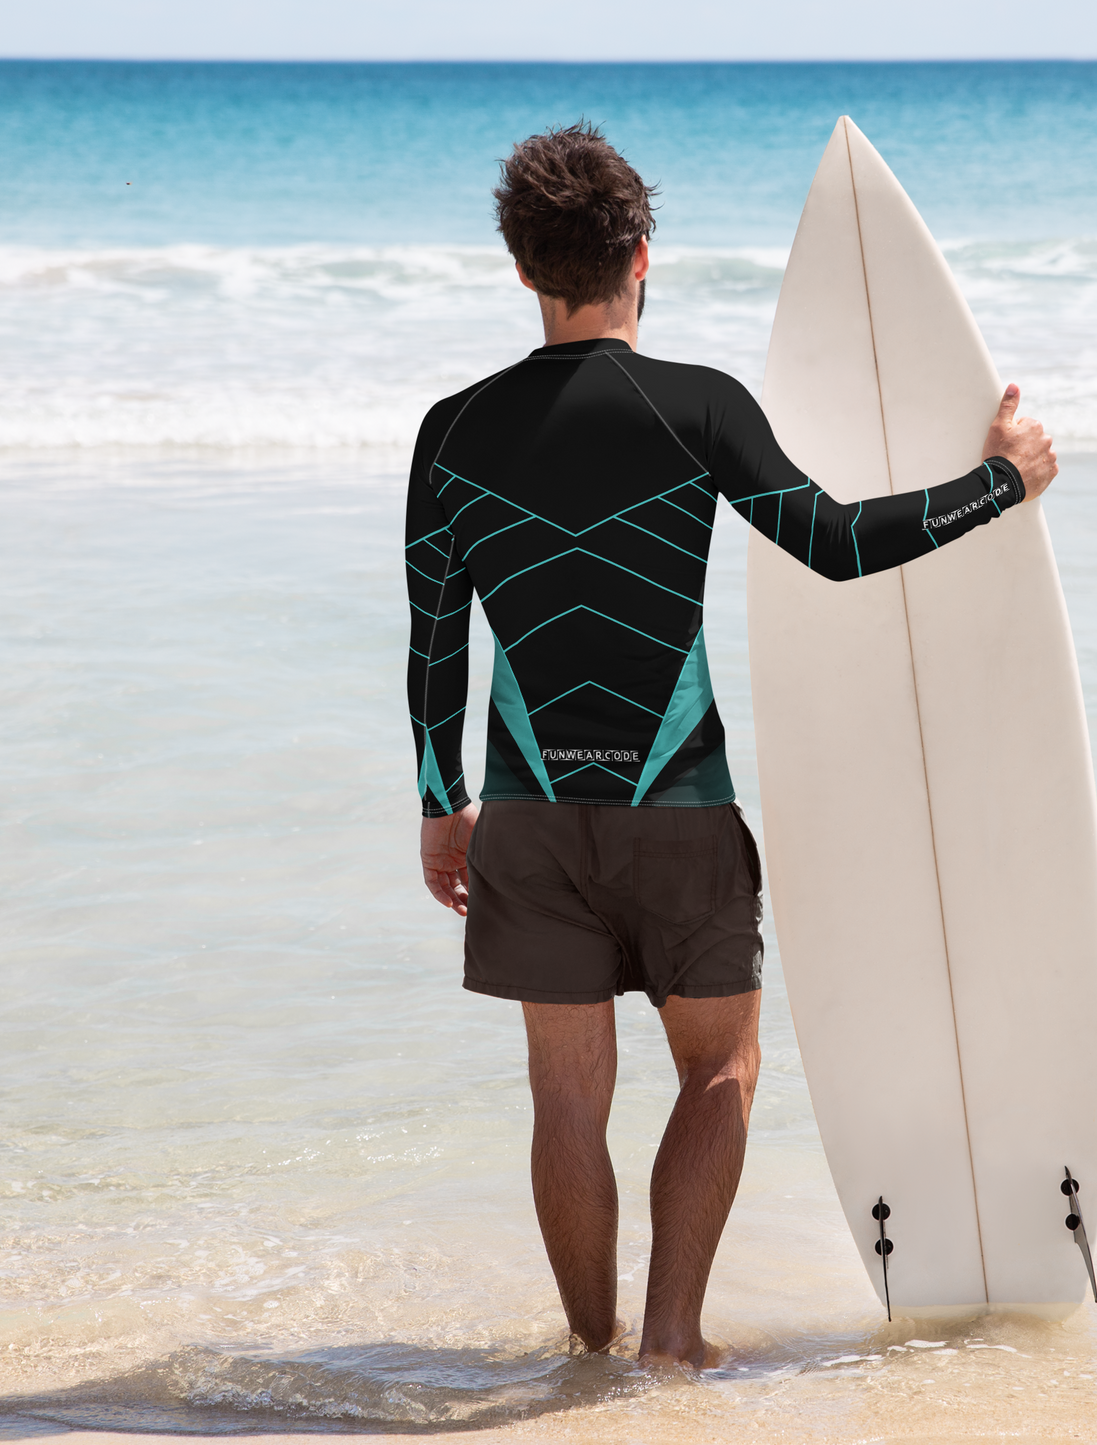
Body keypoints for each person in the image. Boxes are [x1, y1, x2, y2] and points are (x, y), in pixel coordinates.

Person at [406, 122, 1057, 1369]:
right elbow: (833, 543)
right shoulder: (695, 406)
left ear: (520, 267)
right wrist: (997, 482)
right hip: (680, 809)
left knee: (564, 1097)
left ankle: (586, 1353)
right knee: (720, 1068)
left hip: (528, 816)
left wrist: (441, 806)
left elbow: (436, 642)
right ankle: (669, 1341)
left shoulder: (452, 431)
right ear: (641, 254)